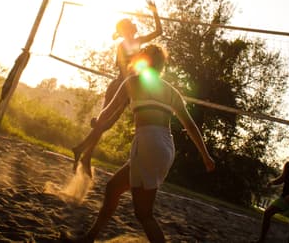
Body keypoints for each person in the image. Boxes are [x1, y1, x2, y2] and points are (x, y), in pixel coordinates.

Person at [63, 45, 215, 243]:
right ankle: (89, 238)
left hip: (148, 141)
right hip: (166, 146)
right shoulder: (172, 92)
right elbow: (191, 127)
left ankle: (89, 239)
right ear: (161, 66)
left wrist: (97, 122)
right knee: (113, 189)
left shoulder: (132, 82)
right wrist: (206, 156)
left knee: (144, 214)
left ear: (143, 60)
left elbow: (107, 111)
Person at [72, 0, 162, 176]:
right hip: (121, 86)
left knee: (105, 124)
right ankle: (82, 150)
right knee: (104, 123)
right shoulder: (124, 45)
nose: (135, 25)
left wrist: (155, 11)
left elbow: (159, 31)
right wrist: (128, 87)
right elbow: (122, 68)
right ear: (126, 30)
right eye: (131, 24)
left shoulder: (137, 42)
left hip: (127, 87)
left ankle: (84, 154)